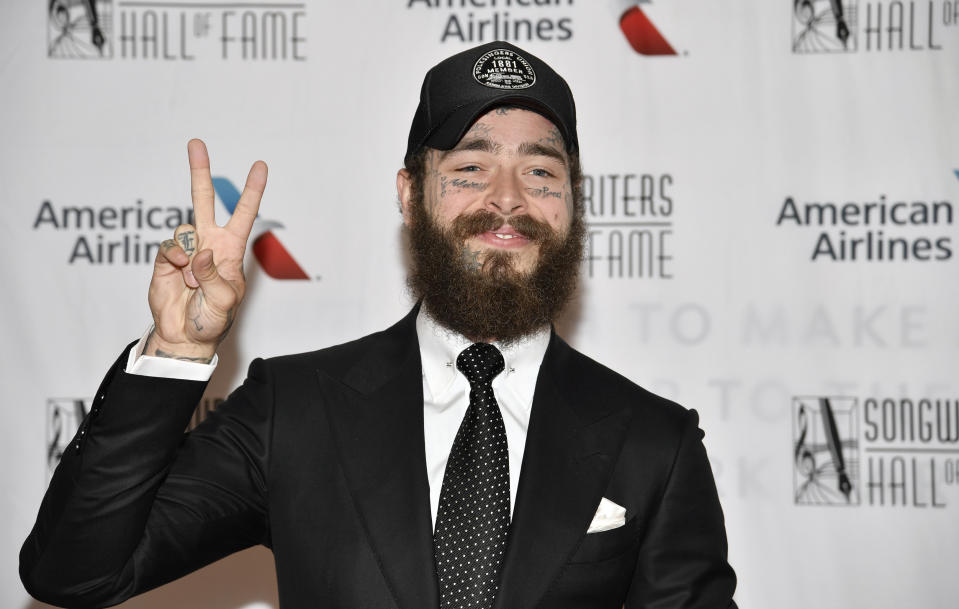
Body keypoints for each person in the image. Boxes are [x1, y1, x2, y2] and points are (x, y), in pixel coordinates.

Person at [20, 41, 737, 609]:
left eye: (541, 173)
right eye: (469, 168)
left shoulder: (653, 442)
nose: (508, 201)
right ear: (409, 192)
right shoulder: (293, 408)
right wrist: (176, 351)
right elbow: (77, 573)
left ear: (571, 202)